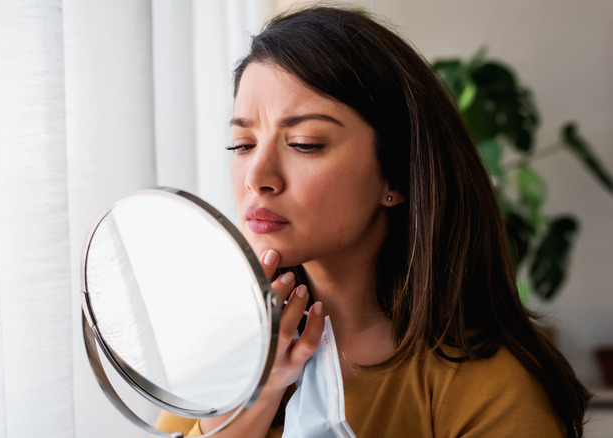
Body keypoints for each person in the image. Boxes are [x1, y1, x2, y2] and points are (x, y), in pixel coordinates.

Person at [158, 5, 589, 437]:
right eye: (242, 144)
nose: (256, 177)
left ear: (396, 175)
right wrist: (247, 406)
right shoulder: (225, 357)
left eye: (305, 144)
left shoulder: (488, 388)